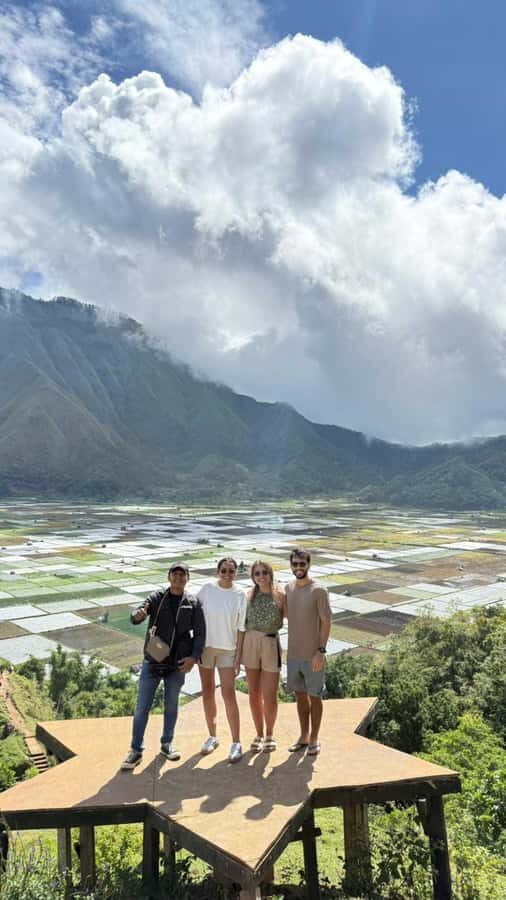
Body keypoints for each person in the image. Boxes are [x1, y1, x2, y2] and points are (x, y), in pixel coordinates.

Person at [121, 562, 205, 770]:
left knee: (171, 706)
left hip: (177, 663)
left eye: (182, 575)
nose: (178, 578)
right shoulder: (157, 598)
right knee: (142, 707)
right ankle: (136, 750)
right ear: (169, 577)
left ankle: (167, 744)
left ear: (187, 578)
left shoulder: (193, 603)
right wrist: (137, 615)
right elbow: (138, 613)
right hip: (153, 660)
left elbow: (200, 634)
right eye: (174, 574)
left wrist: (194, 658)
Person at [198, 557, 247, 763]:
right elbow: (193, 612)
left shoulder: (240, 594)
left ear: (236, 572)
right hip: (206, 648)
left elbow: (242, 628)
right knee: (208, 692)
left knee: (229, 694)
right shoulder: (207, 589)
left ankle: (236, 742)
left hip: (228, 650)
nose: (227, 574)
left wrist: (239, 657)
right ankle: (212, 736)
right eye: (224, 570)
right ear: (218, 571)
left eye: (231, 571)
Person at [285, 548, 331, 757]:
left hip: (313, 655)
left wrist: (321, 651)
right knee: (300, 697)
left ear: (309, 565)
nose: (298, 567)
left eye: (302, 564)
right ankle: (303, 736)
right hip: (293, 655)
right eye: (295, 564)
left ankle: (314, 738)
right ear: (291, 565)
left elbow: (326, 622)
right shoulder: (288, 588)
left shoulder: (319, 590)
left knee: (315, 697)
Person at [240, 560, 284, 752]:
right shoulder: (248, 595)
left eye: (264, 572)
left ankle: (269, 734)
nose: (261, 576)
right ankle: (258, 734)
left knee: (270, 694)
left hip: (270, 643)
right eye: (257, 573)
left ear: (270, 573)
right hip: (250, 643)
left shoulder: (280, 595)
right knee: (254, 694)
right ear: (253, 576)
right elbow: (241, 625)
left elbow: (293, 618)